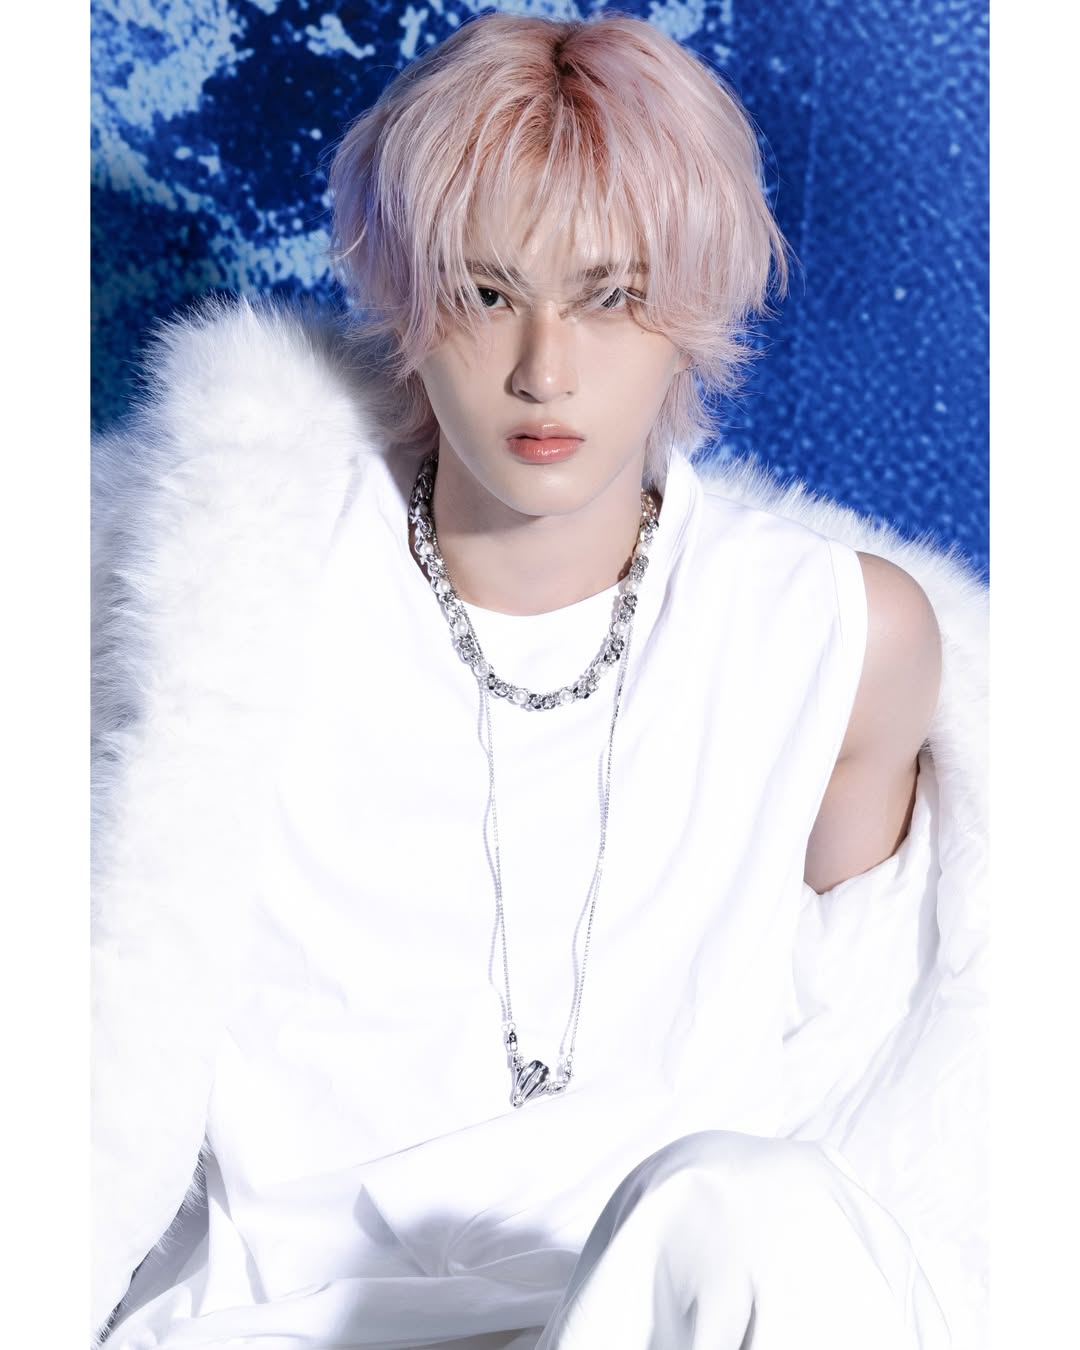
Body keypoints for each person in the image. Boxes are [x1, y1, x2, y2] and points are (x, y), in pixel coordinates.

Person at [91, 12, 987, 1349]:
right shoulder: (217, 592)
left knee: (762, 1209)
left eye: (610, 297)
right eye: (487, 293)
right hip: (282, 1321)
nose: (545, 369)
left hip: (673, 1307)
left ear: (692, 316)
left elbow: (869, 1072)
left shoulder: (834, 641)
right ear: (407, 302)